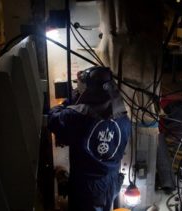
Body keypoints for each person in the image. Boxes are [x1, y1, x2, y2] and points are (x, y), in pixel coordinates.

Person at [48, 66, 131, 211]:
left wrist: (72, 99)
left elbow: (53, 118)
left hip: (86, 186)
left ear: (89, 87)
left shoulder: (78, 115)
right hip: (111, 182)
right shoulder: (123, 118)